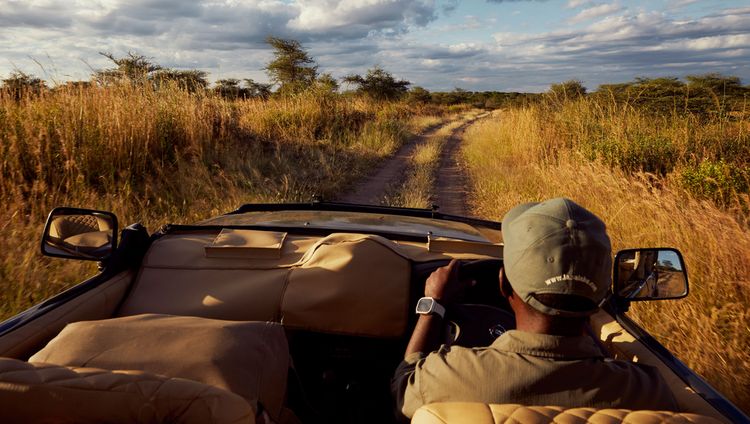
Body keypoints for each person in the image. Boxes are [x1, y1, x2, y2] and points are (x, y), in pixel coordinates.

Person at [392, 198, 678, 419]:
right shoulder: (645, 390)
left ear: (503, 285)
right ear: (601, 297)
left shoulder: (452, 374)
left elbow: (403, 390)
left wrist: (432, 307)